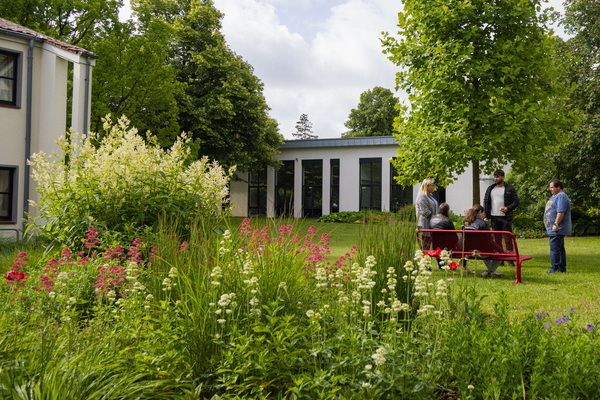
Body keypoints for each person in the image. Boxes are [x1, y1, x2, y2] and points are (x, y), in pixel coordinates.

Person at [464, 204, 501, 277]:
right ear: (480, 211)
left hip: (470, 251)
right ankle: (490, 271)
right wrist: (500, 249)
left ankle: (490, 271)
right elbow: (489, 241)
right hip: (482, 251)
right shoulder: (483, 224)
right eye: (484, 212)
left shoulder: (468, 223)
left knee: (485, 250)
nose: (484, 214)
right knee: (499, 254)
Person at [544, 179, 572, 273]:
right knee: (559, 248)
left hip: (557, 228)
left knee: (554, 249)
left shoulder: (561, 196)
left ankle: (554, 269)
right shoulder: (555, 196)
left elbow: (561, 212)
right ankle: (561, 269)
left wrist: (556, 224)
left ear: (558, 187)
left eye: (552, 187)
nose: (550, 189)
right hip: (554, 228)